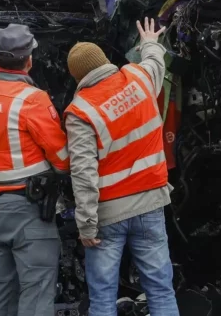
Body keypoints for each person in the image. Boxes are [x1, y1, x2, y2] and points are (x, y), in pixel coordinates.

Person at [64, 18, 178, 316]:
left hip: (108, 216)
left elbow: (83, 173)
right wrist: (150, 41)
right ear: (104, 61)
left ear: (77, 77)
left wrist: (86, 223)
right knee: (161, 290)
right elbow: (155, 61)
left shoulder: (81, 111)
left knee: (102, 297)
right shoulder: (139, 78)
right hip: (151, 204)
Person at [0, 24, 70, 316]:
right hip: (27, 212)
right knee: (36, 292)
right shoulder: (32, 100)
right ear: (29, 60)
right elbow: (62, 159)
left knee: (0, 291)